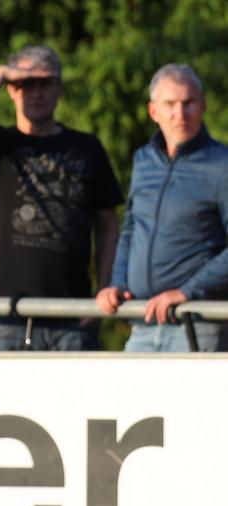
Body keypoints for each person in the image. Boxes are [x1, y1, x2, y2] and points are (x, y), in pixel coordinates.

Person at [0, 45, 122, 350]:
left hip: (73, 318)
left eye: (46, 83)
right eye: (26, 84)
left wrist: (103, 292)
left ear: (59, 89)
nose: (36, 92)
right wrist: (0, 73)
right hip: (6, 318)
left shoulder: (88, 148)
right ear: (11, 90)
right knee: (1, 401)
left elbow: (108, 226)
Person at [96, 64, 228, 351]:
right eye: (170, 104)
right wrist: (116, 282)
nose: (180, 114)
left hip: (197, 323)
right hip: (141, 321)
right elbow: (131, 229)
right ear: (153, 111)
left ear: (202, 106)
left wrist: (186, 292)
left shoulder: (223, 165)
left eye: (188, 103)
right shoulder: (143, 160)